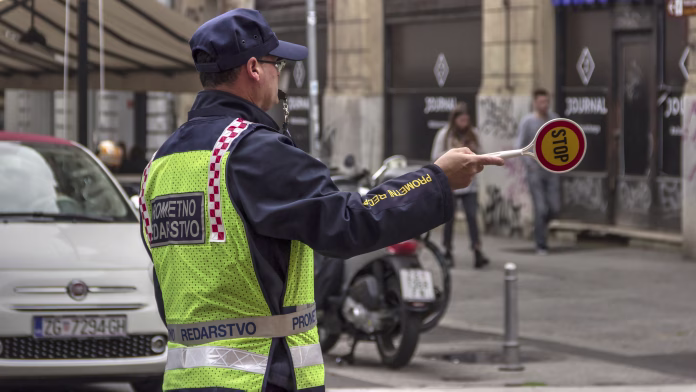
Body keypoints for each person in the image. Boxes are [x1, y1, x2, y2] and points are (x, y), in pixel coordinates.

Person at [138, 9, 504, 392]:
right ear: (253, 69)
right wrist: (437, 180)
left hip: (185, 380)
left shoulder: (161, 164)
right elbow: (348, 223)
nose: (281, 73)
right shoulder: (253, 152)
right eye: (277, 63)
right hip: (262, 378)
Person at [431, 102, 489, 269]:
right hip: (451, 183)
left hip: (470, 183)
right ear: (455, 120)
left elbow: (482, 154)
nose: (464, 123)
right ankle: (447, 250)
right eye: (461, 120)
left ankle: (477, 250)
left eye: (466, 120)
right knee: (449, 217)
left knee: (472, 216)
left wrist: (473, 151)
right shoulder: (445, 135)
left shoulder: (474, 134)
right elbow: (436, 157)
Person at [515, 88, 560, 255]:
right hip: (535, 172)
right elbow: (519, 146)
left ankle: (540, 227)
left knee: (554, 208)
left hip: (552, 171)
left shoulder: (554, 119)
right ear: (535, 103)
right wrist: (529, 163)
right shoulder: (528, 122)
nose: (544, 105)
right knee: (540, 208)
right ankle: (541, 243)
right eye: (541, 102)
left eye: (547, 101)